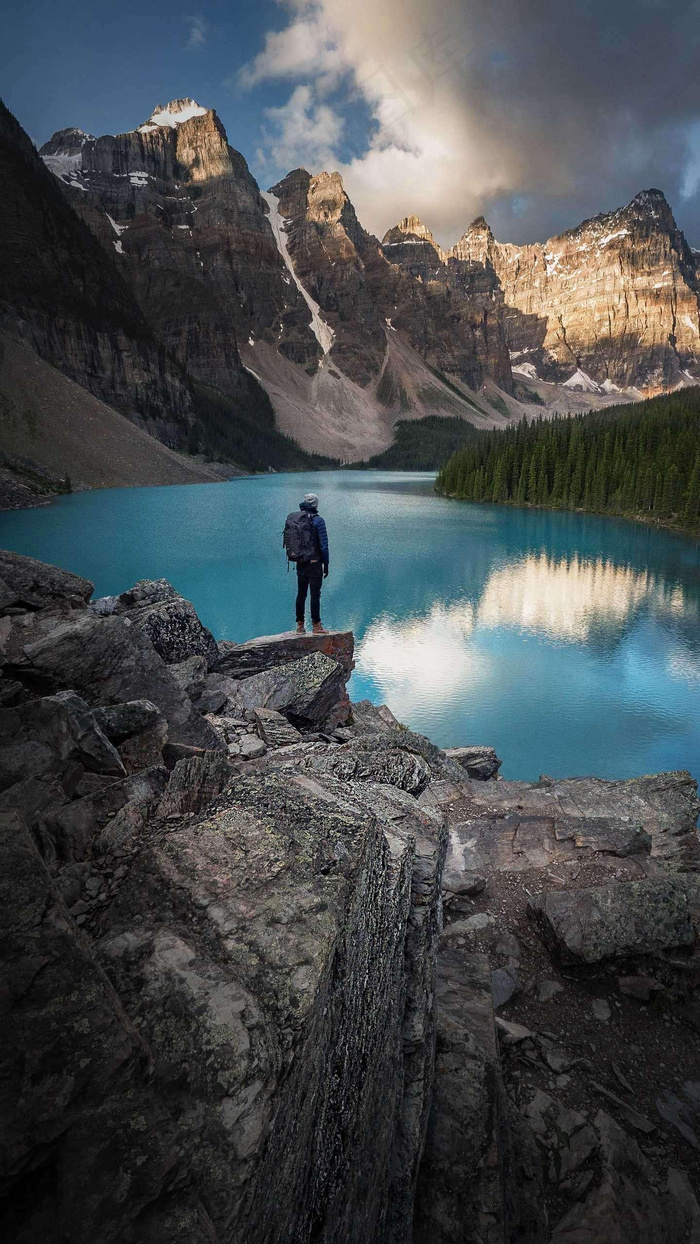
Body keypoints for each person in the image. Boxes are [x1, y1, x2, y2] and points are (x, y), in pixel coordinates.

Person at [283, 492, 329, 634]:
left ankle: (300, 626)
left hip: (301, 562)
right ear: (315, 504)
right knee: (315, 595)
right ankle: (316, 626)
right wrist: (326, 564)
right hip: (315, 563)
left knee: (301, 594)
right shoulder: (318, 521)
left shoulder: (296, 519)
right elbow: (324, 546)